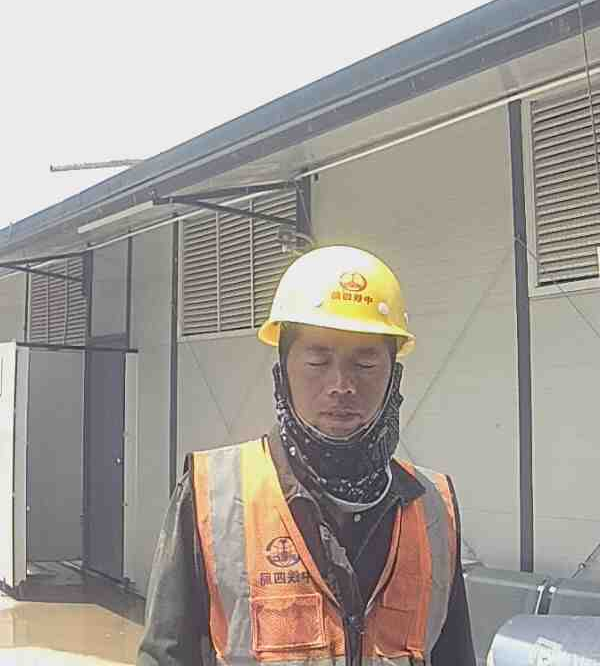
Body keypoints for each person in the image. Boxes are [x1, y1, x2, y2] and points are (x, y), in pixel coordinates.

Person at [137, 245, 475, 666]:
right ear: (283, 370)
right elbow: (166, 654)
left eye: (365, 364)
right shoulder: (214, 494)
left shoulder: (432, 506)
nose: (341, 385)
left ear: (394, 375)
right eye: (317, 360)